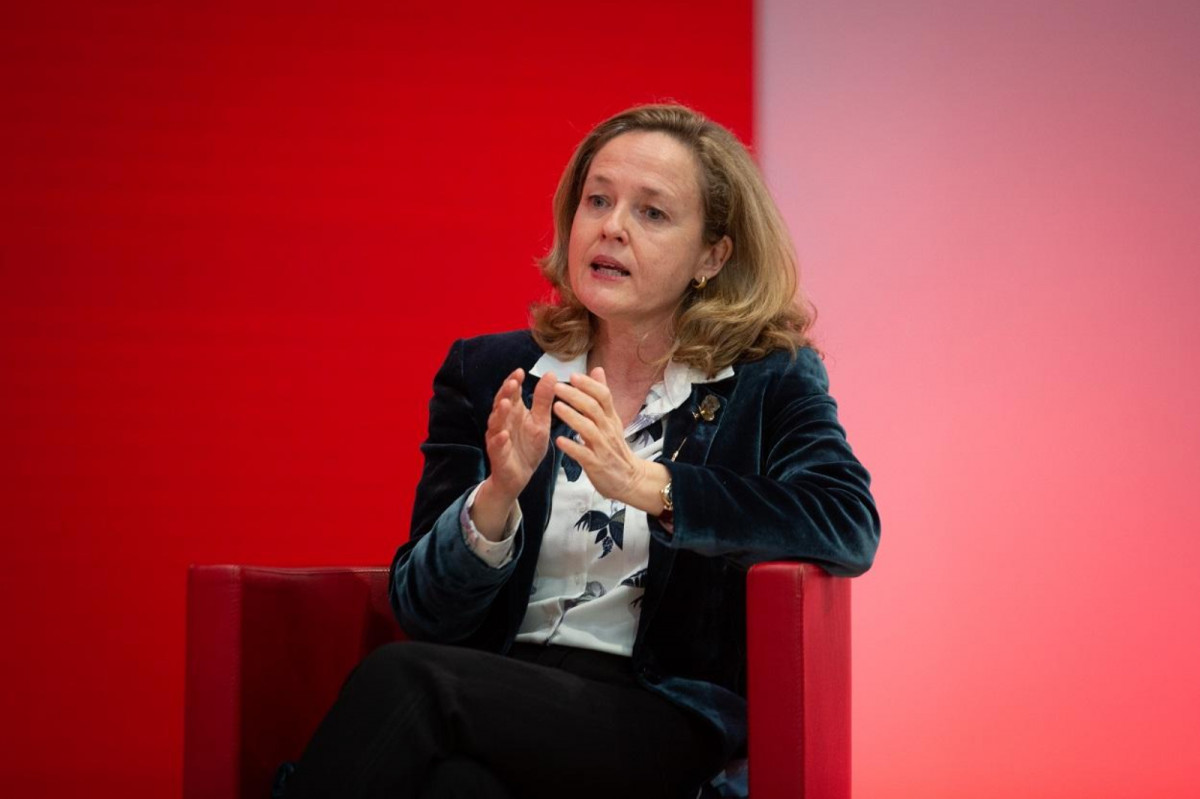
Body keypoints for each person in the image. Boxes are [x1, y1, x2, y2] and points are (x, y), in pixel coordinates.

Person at [285, 103, 879, 799]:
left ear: (712, 256)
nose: (611, 227)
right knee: (455, 788)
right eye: (598, 200)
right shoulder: (490, 372)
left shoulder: (764, 379)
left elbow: (845, 522)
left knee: (406, 681)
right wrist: (495, 500)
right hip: (500, 689)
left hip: (659, 712)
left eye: (652, 213)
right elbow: (424, 611)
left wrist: (650, 484)